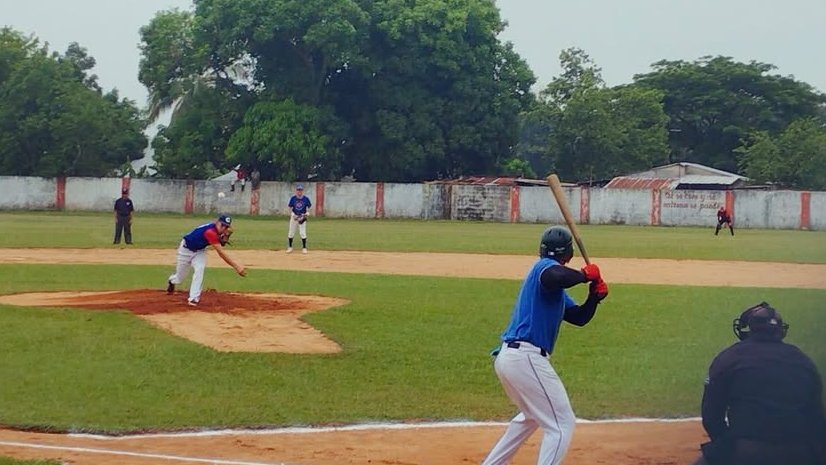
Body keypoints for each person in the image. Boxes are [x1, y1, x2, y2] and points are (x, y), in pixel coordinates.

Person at [480, 226, 609, 465]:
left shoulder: (556, 291)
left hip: (514, 359)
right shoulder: (543, 270)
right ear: (568, 254)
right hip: (525, 358)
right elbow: (556, 276)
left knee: (531, 417)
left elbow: (579, 317)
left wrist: (594, 297)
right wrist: (584, 275)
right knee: (562, 424)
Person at [692, 302, 826, 465]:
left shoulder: (729, 357)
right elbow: (817, 417)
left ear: (750, 329)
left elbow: (712, 415)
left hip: (748, 451)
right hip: (799, 451)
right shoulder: (804, 361)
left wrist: (725, 448)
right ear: (781, 331)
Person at [166, 214, 246, 306]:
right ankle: (172, 281)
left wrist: (222, 238)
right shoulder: (210, 232)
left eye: (226, 226)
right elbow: (221, 253)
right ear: (217, 222)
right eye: (222, 225)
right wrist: (236, 267)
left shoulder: (217, 232)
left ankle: (193, 298)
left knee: (200, 269)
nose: (224, 228)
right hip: (185, 250)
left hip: (199, 252)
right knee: (180, 277)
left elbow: (219, 242)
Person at [286, 183, 312, 254]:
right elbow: (289, 208)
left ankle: (304, 248)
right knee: (291, 232)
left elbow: (308, 208)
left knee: (302, 233)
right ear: (296, 191)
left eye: (300, 190)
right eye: (298, 190)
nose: (299, 191)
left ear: (302, 191)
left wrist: (306, 214)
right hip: (294, 217)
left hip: (302, 217)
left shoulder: (306, 199)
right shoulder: (293, 198)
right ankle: (290, 247)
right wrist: (293, 215)